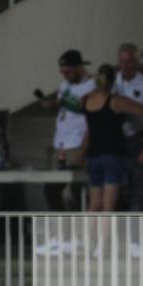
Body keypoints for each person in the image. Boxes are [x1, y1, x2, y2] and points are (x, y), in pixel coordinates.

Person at [82, 64, 143, 213]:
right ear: (113, 81)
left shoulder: (87, 99)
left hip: (93, 155)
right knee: (108, 205)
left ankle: (89, 230)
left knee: (94, 204)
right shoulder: (116, 101)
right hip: (111, 155)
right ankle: (106, 230)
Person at [43, 49, 95, 210]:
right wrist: (52, 105)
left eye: (68, 72)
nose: (65, 75)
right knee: (51, 189)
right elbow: (62, 106)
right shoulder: (65, 84)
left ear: (79, 67)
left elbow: (94, 118)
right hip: (61, 144)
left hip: (77, 143)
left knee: (77, 190)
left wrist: (84, 149)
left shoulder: (92, 85)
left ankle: (83, 224)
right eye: (62, 72)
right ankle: (61, 224)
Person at [113, 43, 143, 213]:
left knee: (136, 190)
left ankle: (135, 228)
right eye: (121, 62)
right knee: (114, 190)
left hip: (137, 139)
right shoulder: (113, 81)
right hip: (115, 139)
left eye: (128, 62)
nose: (124, 66)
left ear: (136, 62)